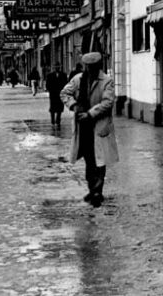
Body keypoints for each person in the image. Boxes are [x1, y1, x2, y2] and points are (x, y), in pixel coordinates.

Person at [60, 52, 118, 208]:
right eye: (88, 67)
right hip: (83, 128)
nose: (90, 70)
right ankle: (92, 189)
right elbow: (64, 93)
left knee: (100, 160)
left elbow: (108, 102)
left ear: (98, 66)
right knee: (89, 160)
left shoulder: (106, 81)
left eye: (93, 67)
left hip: (99, 127)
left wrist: (90, 114)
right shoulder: (78, 79)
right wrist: (73, 105)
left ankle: (97, 191)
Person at [46, 62, 68, 127]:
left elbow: (66, 84)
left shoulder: (63, 75)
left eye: (58, 66)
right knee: (52, 107)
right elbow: (47, 84)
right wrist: (50, 90)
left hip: (60, 93)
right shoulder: (50, 75)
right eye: (55, 66)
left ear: (60, 67)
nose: (57, 68)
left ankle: (58, 120)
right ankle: (52, 120)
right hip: (53, 94)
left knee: (60, 107)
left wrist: (64, 91)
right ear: (53, 67)